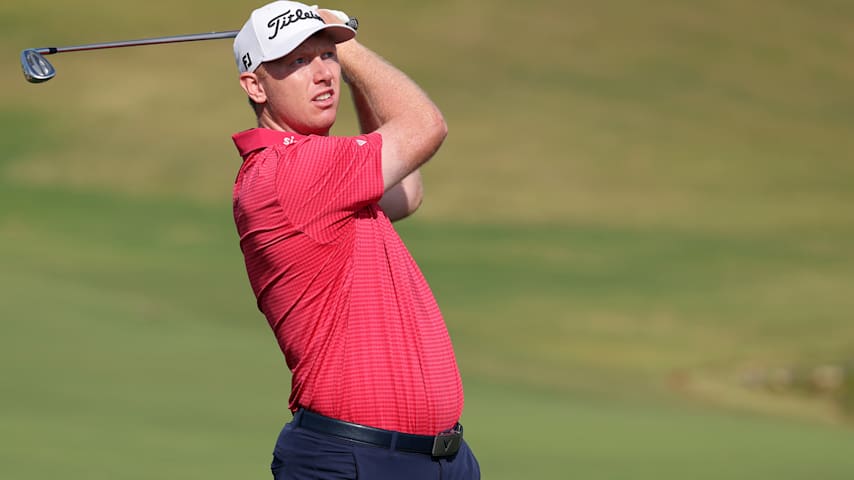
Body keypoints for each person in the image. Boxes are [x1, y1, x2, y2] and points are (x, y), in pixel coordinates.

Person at [229, 2, 480, 478]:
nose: (323, 73)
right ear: (255, 85)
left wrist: (336, 47)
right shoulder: (288, 173)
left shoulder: (320, 169)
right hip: (354, 460)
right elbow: (425, 126)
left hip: (438, 459)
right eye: (298, 62)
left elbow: (406, 194)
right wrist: (347, 42)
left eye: (326, 56)